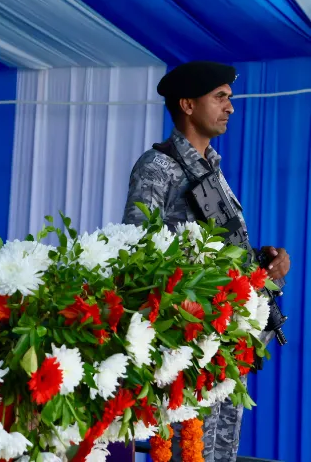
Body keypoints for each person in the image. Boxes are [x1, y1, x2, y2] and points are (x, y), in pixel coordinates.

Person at [122, 61, 290, 462]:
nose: (230, 107)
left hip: (222, 345)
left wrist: (264, 267)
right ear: (187, 104)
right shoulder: (157, 166)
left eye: (229, 98)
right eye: (220, 97)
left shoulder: (212, 168)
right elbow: (134, 251)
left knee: (219, 451)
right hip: (186, 348)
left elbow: (220, 251)